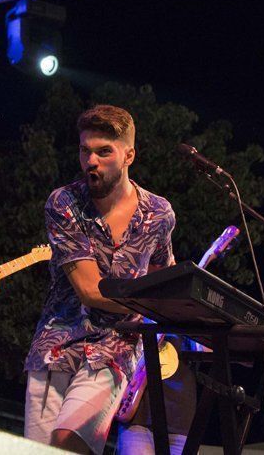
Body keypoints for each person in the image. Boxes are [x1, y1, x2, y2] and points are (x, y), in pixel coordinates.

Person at [24, 105, 176, 454]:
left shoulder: (158, 213)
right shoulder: (64, 202)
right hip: (56, 346)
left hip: (114, 348)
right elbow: (91, 290)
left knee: (69, 442)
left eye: (103, 151)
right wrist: (151, 302)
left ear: (128, 155)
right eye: (84, 150)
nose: (91, 160)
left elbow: (163, 279)